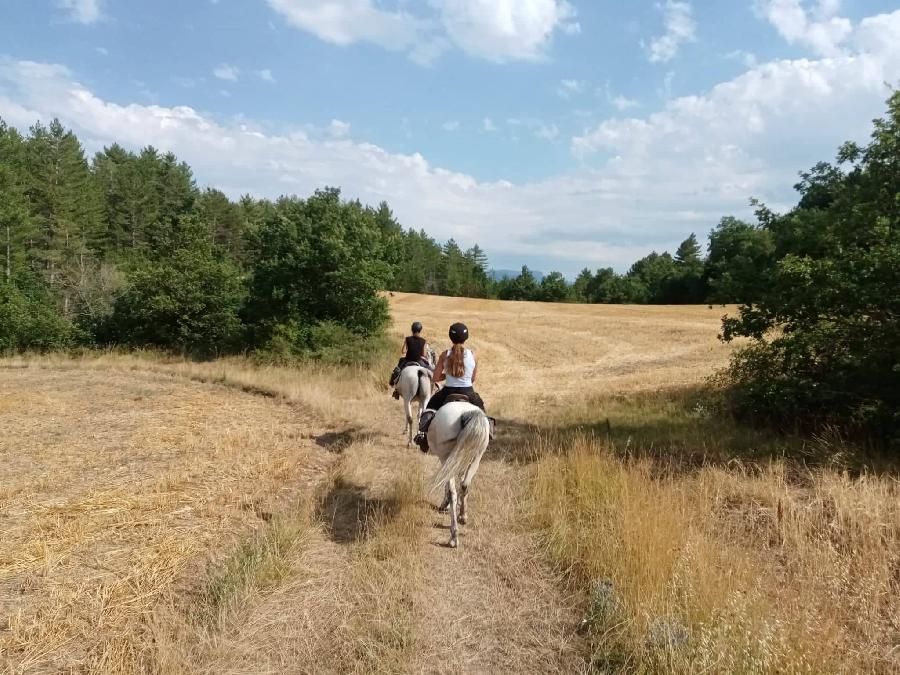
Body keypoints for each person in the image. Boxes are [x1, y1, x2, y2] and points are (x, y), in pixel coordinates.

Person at [414, 322, 485, 452]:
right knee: (482, 412)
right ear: (466, 338)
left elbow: (435, 378)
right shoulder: (474, 355)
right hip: (468, 392)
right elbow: (473, 379)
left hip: (447, 392)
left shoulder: (444, 354)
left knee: (429, 407)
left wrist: (447, 376)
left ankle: (423, 437)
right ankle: (488, 434)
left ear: (450, 338)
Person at [389, 321, 433, 399]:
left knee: (397, 370)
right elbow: (424, 355)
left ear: (412, 329)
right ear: (420, 330)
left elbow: (403, 351)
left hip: (407, 360)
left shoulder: (407, 339)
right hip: (419, 361)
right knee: (431, 371)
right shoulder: (423, 341)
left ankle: (394, 387)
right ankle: (433, 386)